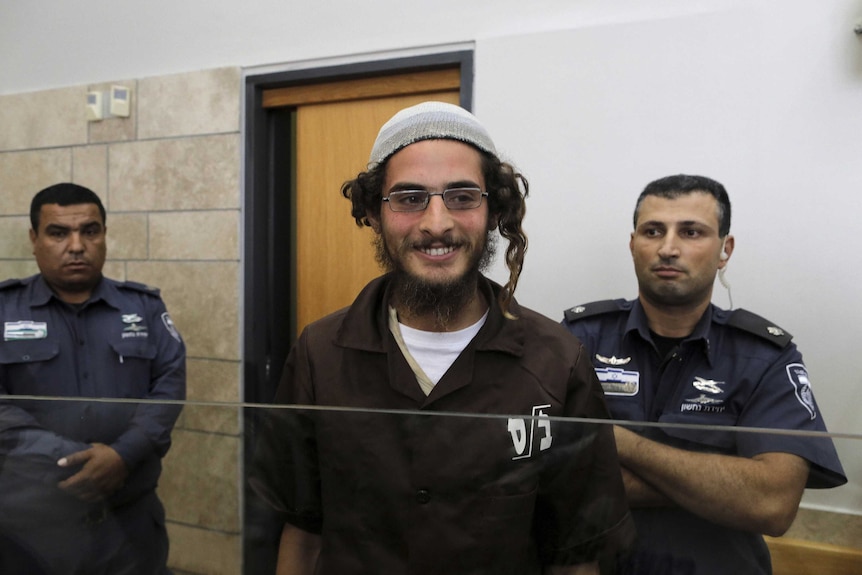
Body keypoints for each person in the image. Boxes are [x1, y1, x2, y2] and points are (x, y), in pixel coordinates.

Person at [251, 101, 634, 574]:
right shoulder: (320, 353)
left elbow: (575, 557)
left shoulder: (557, 361)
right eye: (410, 198)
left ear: (494, 210)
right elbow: (302, 531)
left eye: (462, 196)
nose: (437, 223)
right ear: (374, 212)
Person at [562, 174, 846, 575]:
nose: (668, 248)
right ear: (633, 245)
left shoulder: (766, 358)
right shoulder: (577, 339)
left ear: (724, 250)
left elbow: (772, 504)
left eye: (691, 232)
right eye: (653, 231)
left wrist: (618, 441)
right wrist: (718, 483)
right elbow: (542, 475)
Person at [0, 183, 186, 574]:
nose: (77, 245)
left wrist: (123, 455)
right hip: (28, 527)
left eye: (90, 230)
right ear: (34, 239)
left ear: (104, 234)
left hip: (128, 521)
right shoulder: (4, 309)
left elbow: (169, 386)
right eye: (58, 233)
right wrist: (72, 460)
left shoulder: (143, 306)